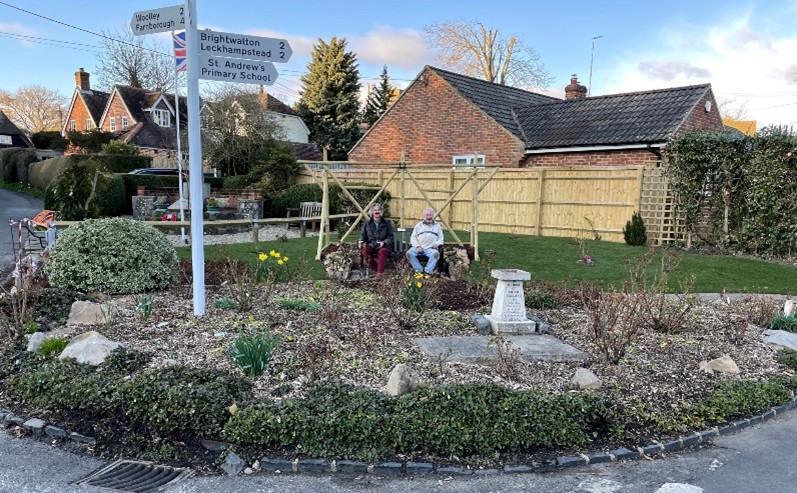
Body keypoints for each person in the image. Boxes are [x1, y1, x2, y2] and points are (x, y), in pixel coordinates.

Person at [359, 203, 394, 276]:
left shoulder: (386, 223)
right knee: (365, 251)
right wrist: (361, 241)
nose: (377, 212)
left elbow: (391, 237)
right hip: (372, 245)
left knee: (382, 251)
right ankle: (377, 271)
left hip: (383, 246)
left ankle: (380, 273)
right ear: (372, 212)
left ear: (381, 212)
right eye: (375, 210)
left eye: (378, 210)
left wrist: (383, 243)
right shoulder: (367, 224)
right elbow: (363, 236)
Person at [406, 207, 444, 275]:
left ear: (433, 215)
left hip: (431, 248)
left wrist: (437, 244)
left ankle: (428, 271)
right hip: (418, 247)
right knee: (409, 253)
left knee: (436, 254)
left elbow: (441, 239)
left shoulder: (437, 226)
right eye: (427, 215)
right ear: (424, 216)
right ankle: (419, 270)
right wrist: (417, 246)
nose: (429, 217)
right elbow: (413, 238)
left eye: (430, 215)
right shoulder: (418, 226)